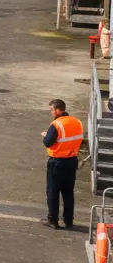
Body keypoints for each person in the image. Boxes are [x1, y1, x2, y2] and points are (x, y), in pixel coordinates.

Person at [40, 98, 84, 229]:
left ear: (59, 110)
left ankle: (53, 220)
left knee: (53, 192)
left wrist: (46, 135)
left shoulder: (56, 124)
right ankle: (68, 220)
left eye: (52, 110)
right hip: (71, 161)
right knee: (68, 192)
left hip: (57, 162)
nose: (51, 113)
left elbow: (47, 142)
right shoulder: (77, 122)